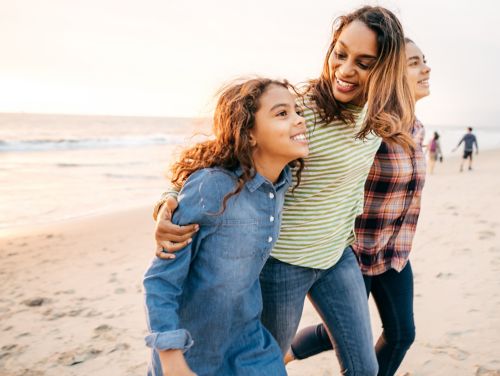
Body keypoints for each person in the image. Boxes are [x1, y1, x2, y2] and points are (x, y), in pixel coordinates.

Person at [152, 6, 415, 375]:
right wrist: (167, 200)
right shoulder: (299, 110)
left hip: (338, 257)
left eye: (364, 62)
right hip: (283, 265)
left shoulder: (379, 116)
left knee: (364, 368)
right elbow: (221, 151)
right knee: (264, 362)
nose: (344, 70)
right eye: (340, 54)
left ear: (385, 69)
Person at [143, 78, 309, 376]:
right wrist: (170, 357)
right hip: (192, 351)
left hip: (251, 345)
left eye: (297, 112)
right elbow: (160, 280)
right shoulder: (211, 185)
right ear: (249, 133)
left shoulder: (279, 185)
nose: (300, 120)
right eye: (282, 113)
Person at [284, 38, 430, 376]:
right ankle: (286, 352)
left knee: (401, 334)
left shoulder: (417, 128)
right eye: (413, 63)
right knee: (345, 336)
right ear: (389, 74)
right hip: (353, 252)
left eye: (424, 60)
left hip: (393, 251)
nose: (426, 68)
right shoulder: (367, 126)